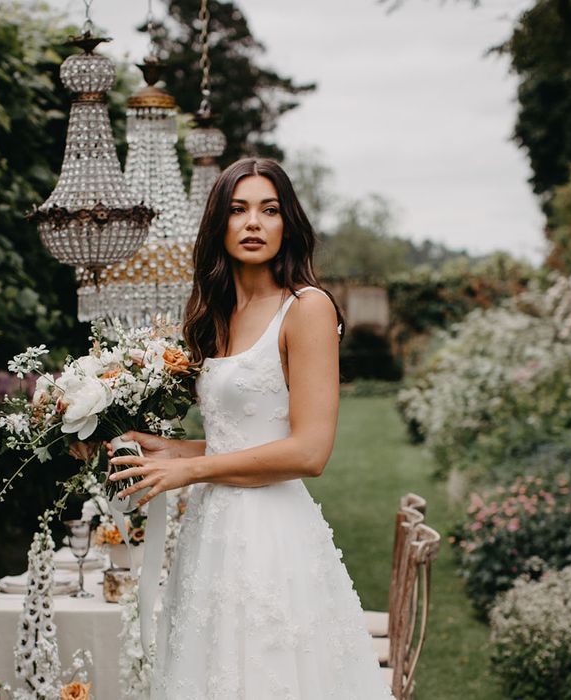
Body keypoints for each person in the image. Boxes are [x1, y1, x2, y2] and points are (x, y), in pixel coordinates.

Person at [109, 158, 393, 699]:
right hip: (213, 531)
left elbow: (309, 451)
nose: (254, 223)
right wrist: (171, 450)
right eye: (238, 210)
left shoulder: (306, 309)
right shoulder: (217, 314)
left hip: (271, 534)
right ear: (219, 224)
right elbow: (243, 435)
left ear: (289, 224)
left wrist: (192, 469)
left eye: (270, 210)